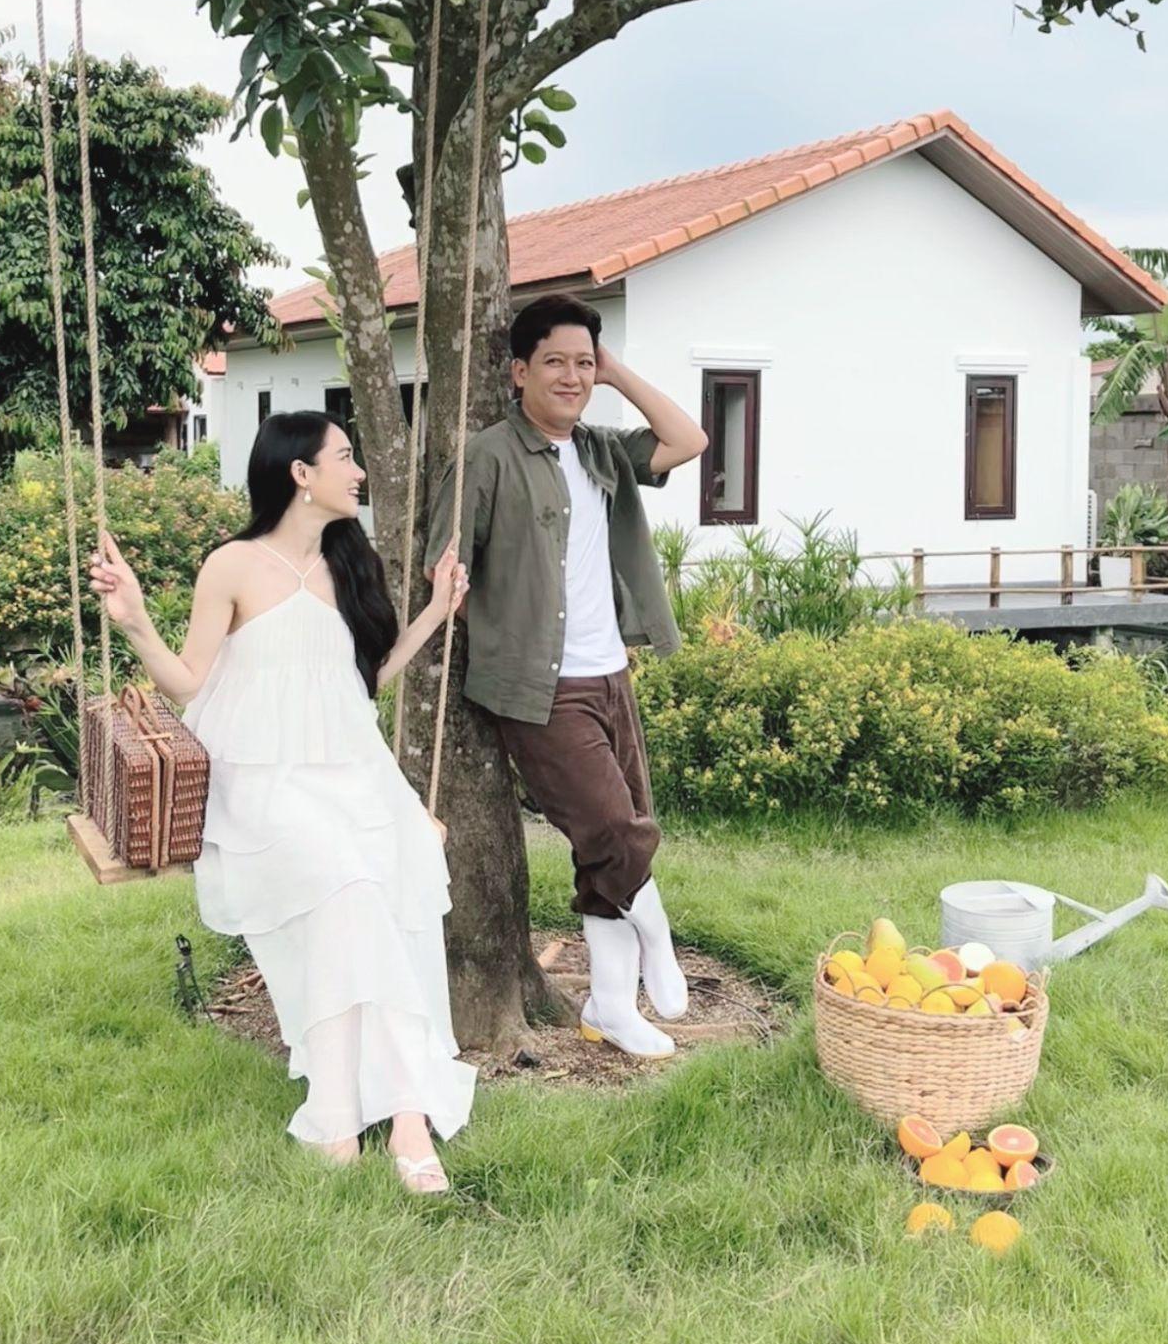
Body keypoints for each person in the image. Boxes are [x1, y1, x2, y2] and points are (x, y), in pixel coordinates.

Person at [89, 411, 476, 1191]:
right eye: (345, 457)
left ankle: (393, 1119)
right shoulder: (231, 565)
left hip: (351, 771)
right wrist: (134, 622)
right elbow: (190, 682)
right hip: (263, 780)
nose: (358, 471)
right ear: (301, 472)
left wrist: (436, 611)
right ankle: (356, 1115)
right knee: (353, 889)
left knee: (397, 889)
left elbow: (364, 683)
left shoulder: (350, 565)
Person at [427, 294, 707, 1058]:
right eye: (555, 361)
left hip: (611, 673)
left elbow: (689, 439)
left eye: (584, 363)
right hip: (540, 687)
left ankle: (611, 1006)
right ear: (519, 372)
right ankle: (657, 937)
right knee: (618, 831)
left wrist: (616, 372)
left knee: (603, 848)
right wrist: (494, 623)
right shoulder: (488, 456)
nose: (572, 376)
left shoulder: (600, 451)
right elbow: (444, 565)